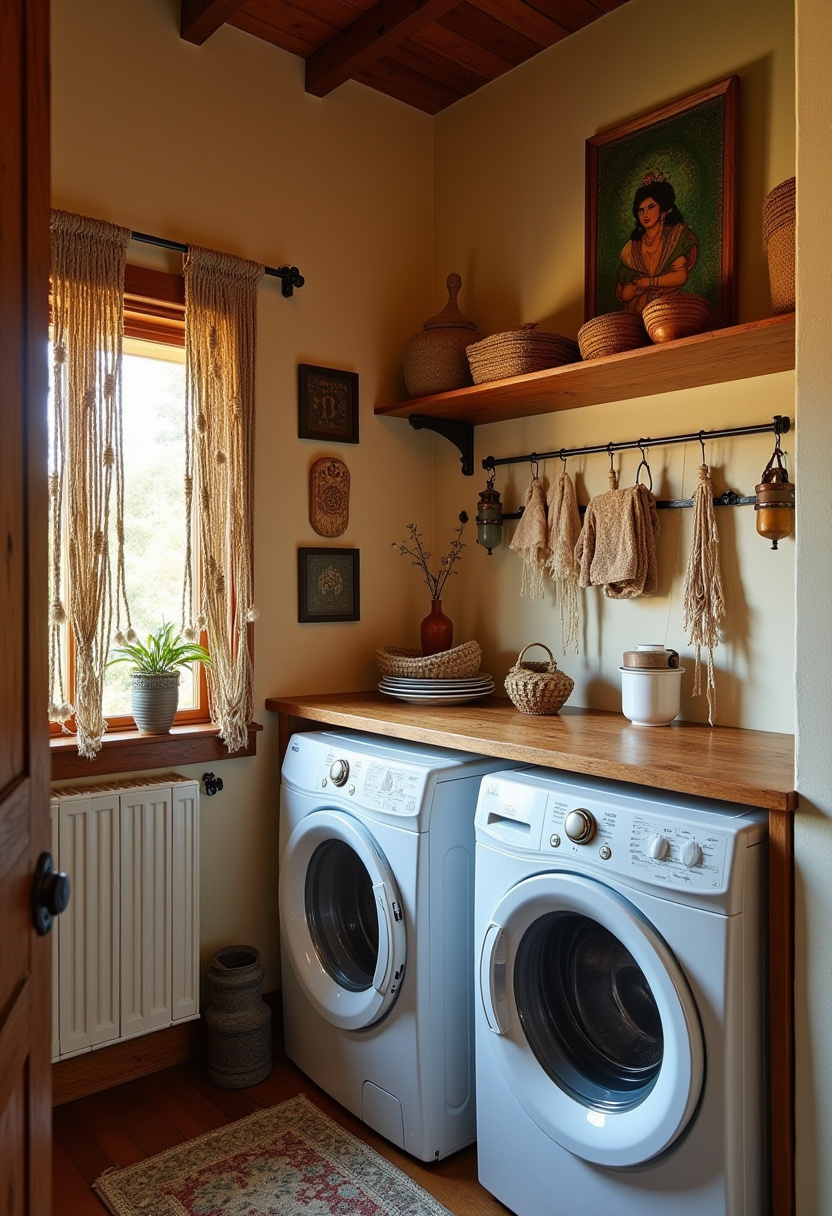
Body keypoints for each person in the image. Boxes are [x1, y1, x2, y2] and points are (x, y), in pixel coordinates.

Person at [616, 173, 698, 314]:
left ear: (663, 209)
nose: (645, 214)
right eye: (641, 210)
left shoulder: (677, 236)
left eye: (651, 207)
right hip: (636, 316)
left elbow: (680, 276)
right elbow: (623, 293)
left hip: (669, 313)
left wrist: (650, 282)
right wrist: (637, 287)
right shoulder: (630, 248)